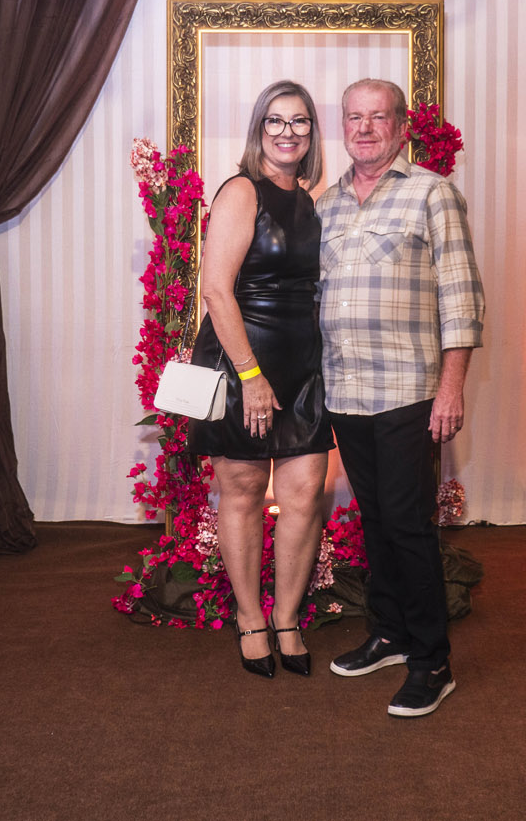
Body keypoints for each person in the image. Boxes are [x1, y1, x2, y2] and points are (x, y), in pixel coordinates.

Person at [317, 78, 484, 717]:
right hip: (346, 390)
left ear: (402, 125)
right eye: (353, 117)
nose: (364, 128)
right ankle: (389, 633)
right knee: (375, 518)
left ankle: (432, 661)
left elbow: (461, 297)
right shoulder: (327, 205)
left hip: (409, 390)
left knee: (409, 524)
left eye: (377, 116)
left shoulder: (432, 193)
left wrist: (451, 388)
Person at [187, 80, 334, 679]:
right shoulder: (241, 191)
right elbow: (215, 290)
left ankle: (287, 618)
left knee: (304, 496)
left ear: (312, 133)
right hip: (240, 362)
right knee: (244, 492)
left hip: (301, 368)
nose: (287, 132)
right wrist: (250, 376)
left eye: (299, 121)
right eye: (275, 120)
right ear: (259, 130)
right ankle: (251, 620)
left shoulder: (311, 202)